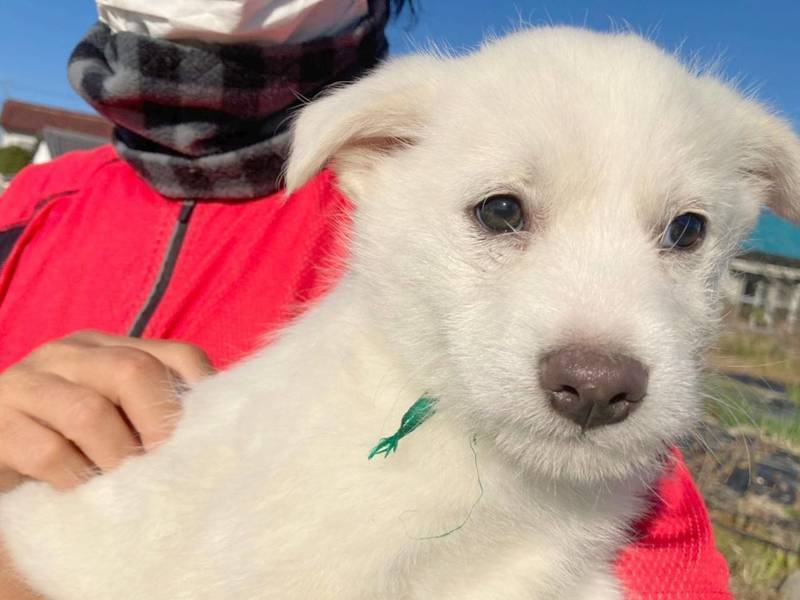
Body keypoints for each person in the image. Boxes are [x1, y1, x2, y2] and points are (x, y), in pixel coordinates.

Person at [0, 1, 732, 597]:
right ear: (375, 155)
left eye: (684, 232)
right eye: (502, 212)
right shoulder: (29, 208)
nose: (601, 348)